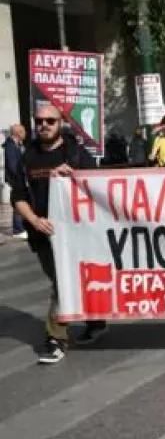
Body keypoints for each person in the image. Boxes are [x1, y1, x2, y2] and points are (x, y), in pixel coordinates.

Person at [10, 105, 109, 364]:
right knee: (63, 279)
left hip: (77, 233)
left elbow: (99, 186)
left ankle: (55, 338)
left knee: (62, 283)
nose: (43, 125)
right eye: (39, 120)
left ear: (61, 122)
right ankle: (96, 320)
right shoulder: (28, 157)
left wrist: (75, 175)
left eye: (50, 121)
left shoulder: (76, 152)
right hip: (43, 234)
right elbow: (18, 196)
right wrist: (34, 220)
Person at [3, 123, 27, 239]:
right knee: (18, 201)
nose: (25, 133)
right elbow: (13, 166)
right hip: (16, 179)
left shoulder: (17, 145)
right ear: (18, 133)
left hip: (20, 179)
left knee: (22, 200)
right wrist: (20, 177)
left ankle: (21, 226)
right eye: (23, 131)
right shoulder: (10, 146)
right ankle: (18, 229)